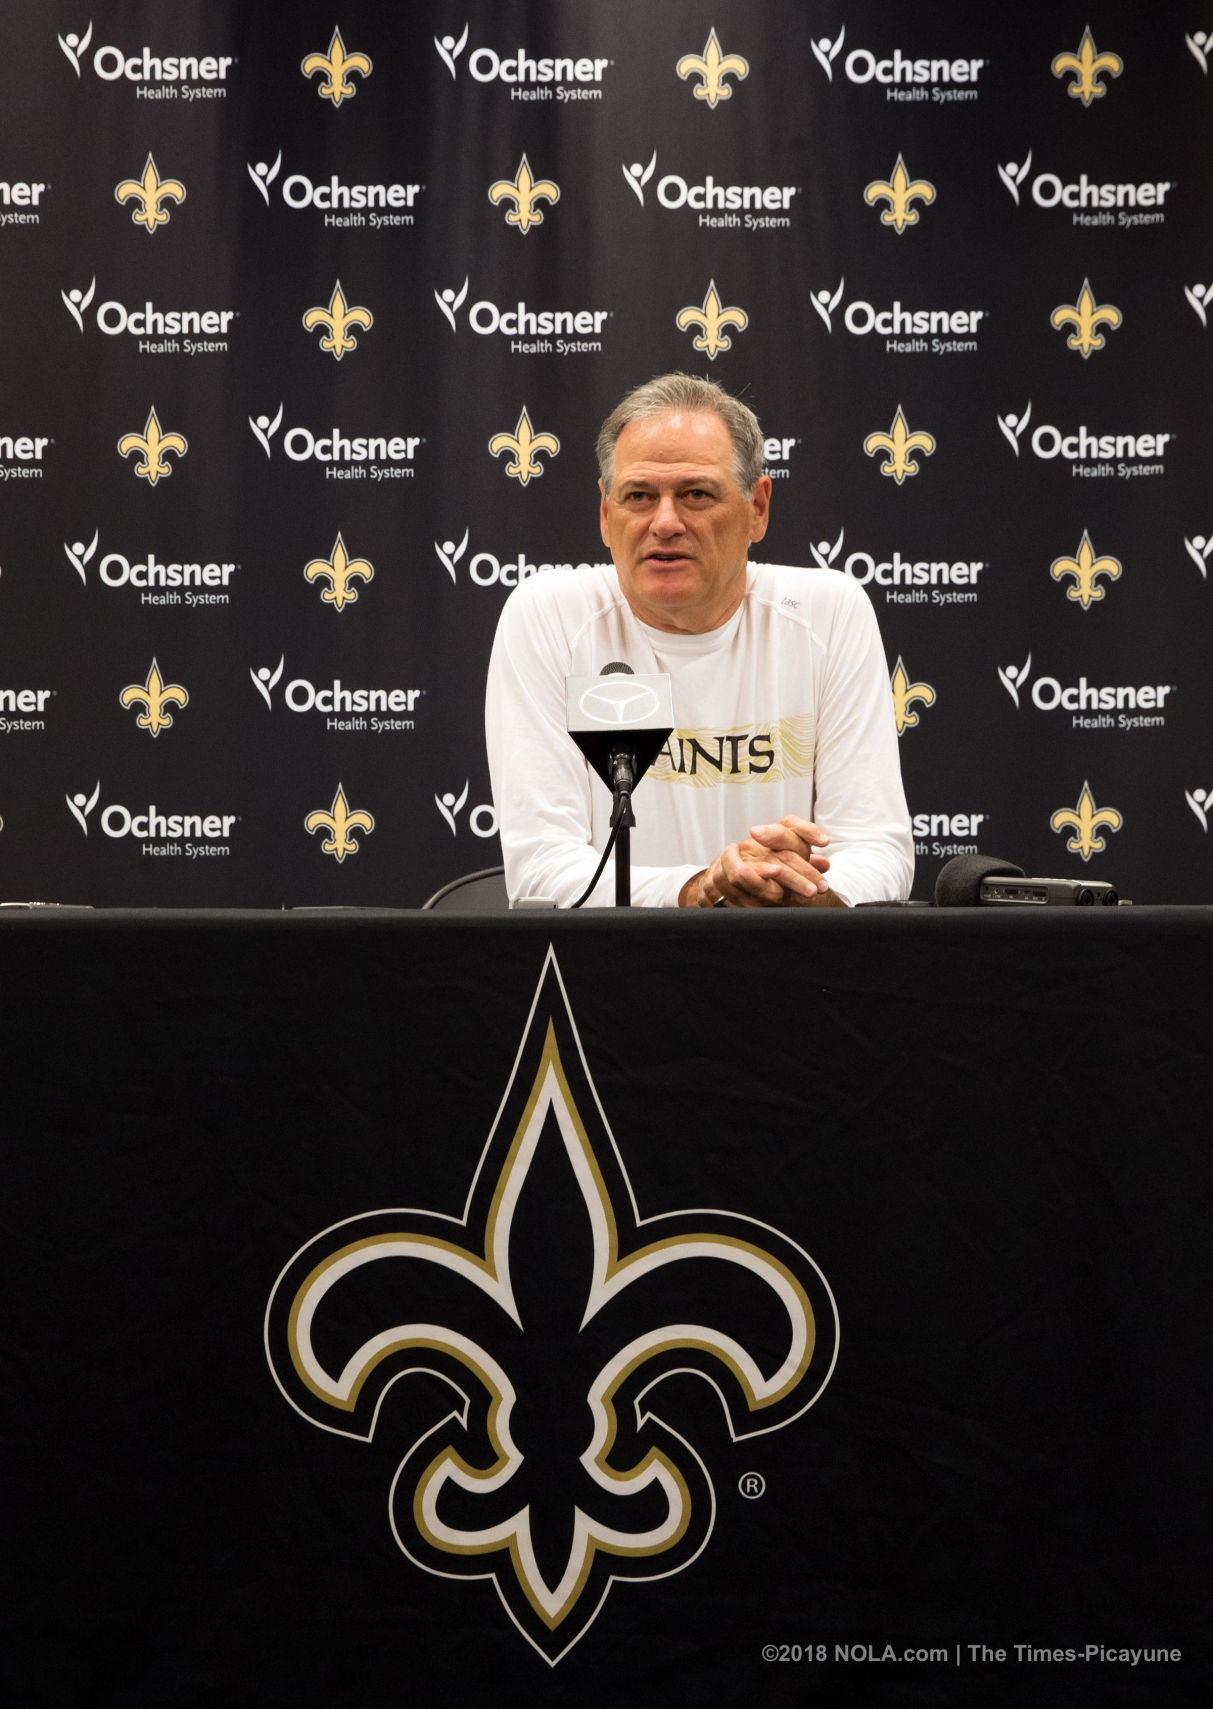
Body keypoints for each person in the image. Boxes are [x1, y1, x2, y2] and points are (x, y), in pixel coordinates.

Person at [485, 373, 913, 908]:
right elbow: (541, 871)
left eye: (696, 494)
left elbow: (878, 851)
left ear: (757, 508)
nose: (664, 522)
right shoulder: (549, 617)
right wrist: (704, 888)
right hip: (614, 978)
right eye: (638, 496)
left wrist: (798, 885)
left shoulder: (829, 614)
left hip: (790, 972)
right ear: (604, 513)